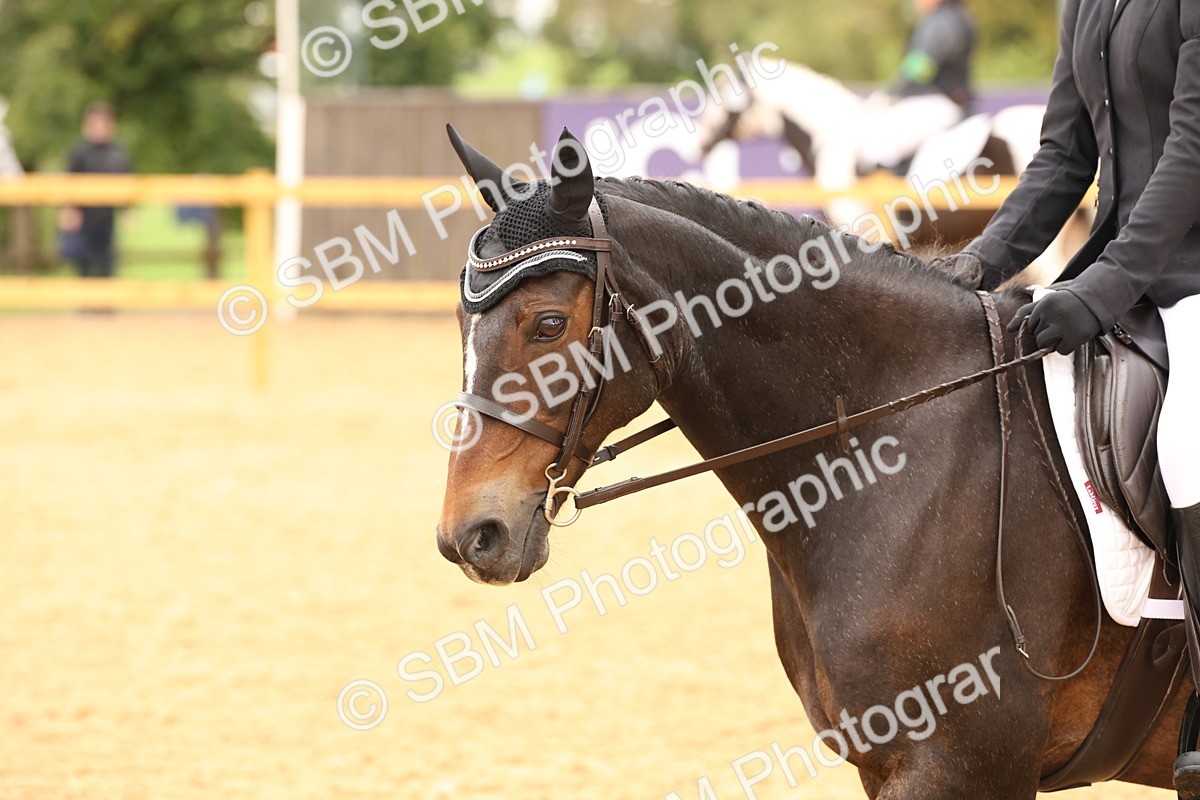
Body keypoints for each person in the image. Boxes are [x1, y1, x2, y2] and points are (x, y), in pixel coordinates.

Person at [937, 0, 1200, 791]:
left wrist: (1105, 288)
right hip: (1121, 276)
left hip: (1189, 280)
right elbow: (1063, 156)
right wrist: (975, 268)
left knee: (1188, 447)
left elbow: (1191, 150)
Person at [855, 0, 977, 173]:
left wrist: (890, 95)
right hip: (945, 103)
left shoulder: (943, 23)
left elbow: (920, 67)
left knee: (874, 146)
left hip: (937, 105)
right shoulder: (956, 17)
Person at [60, 102, 132, 277]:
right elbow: (69, 181)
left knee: (107, 265)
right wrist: (71, 209)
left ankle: (107, 294)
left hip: (107, 218)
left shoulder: (118, 153)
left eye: (104, 123)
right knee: (83, 265)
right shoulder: (79, 152)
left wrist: (128, 209)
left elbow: (128, 181)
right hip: (84, 219)